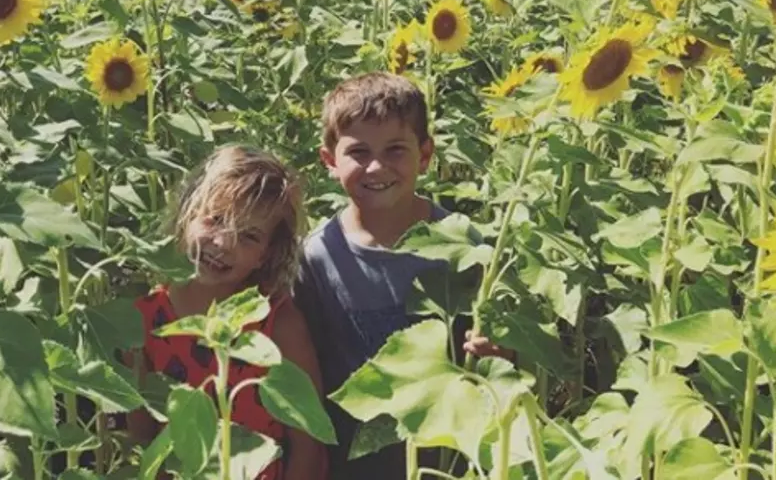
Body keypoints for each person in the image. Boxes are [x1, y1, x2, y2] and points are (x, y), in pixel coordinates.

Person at [293, 73, 509, 479]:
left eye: (395, 150)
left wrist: (496, 352)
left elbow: (497, 344)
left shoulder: (461, 243)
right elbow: (308, 370)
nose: (377, 166)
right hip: (356, 459)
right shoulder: (319, 255)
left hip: (449, 453)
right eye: (358, 152)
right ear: (329, 162)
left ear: (425, 155)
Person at [127, 144, 326, 480]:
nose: (223, 243)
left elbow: (309, 444)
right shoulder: (146, 321)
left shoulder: (277, 324)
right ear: (188, 213)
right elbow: (142, 440)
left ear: (265, 255)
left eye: (249, 236)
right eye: (215, 219)